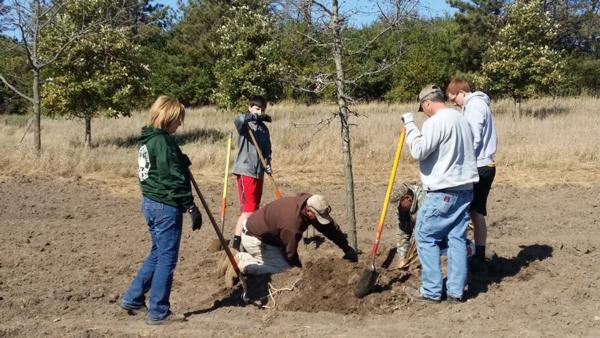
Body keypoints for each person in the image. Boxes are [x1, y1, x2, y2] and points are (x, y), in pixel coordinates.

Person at [119, 96, 203, 325]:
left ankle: (133, 298)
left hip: (150, 203)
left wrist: (178, 158)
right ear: (168, 118)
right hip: (166, 205)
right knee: (166, 258)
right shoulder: (162, 142)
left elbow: (162, 167)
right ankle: (158, 311)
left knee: (157, 253)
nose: (180, 125)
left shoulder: (149, 139)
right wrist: (190, 205)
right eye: (178, 120)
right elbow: (170, 178)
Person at [401, 84, 479, 304]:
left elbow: (419, 150)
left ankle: (432, 291)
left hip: (443, 192)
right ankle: (456, 291)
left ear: (427, 103)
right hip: (465, 190)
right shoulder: (461, 119)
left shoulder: (436, 122)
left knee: (425, 237)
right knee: (456, 239)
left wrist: (410, 126)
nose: (424, 112)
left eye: (423, 108)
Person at [218, 193, 358, 287]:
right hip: (255, 239)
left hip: (265, 234)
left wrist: (346, 247)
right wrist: (298, 269)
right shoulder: (292, 225)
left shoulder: (308, 201)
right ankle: (242, 263)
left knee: (285, 262)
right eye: (317, 217)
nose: (318, 221)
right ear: (309, 211)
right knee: (283, 268)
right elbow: (290, 253)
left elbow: (329, 228)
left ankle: (238, 257)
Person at [446, 79, 498, 273]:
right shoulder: (473, 105)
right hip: (482, 164)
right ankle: (478, 254)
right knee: (476, 212)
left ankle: (472, 253)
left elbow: (474, 138)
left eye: (453, 99)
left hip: (479, 166)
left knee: (468, 211)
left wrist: (463, 164)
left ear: (461, 92)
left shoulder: (475, 106)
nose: (453, 103)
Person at [231, 95, 273, 251]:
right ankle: (235, 245)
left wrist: (268, 164)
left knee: (254, 208)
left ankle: (248, 240)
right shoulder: (245, 125)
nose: (259, 112)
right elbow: (238, 120)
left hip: (258, 173)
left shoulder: (263, 129)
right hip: (245, 171)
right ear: (250, 108)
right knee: (248, 210)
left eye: (262, 110)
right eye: (256, 108)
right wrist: (252, 117)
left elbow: (267, 151)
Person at [390, 182, 426, 268]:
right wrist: (402, 259)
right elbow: (403, 232)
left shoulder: (424, 200)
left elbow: (419, 233)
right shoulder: (404, 209)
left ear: (407, 198)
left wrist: (409, 259)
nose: (398, 208)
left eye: (399, 205)